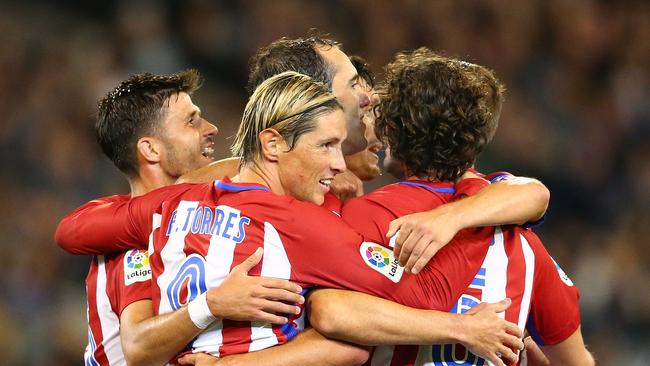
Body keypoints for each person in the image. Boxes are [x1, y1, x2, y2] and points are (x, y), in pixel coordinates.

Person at [56, 71, 526, 366]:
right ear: (274, 143)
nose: (341, 162)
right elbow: (421, 297)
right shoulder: (302, 225)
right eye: (327, 146)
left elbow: (72, 230)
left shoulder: (168, 206)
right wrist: (471, 202)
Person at [309, 48, 594, 366]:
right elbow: (576, 361)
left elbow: (329, 313)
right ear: (476, 145)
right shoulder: (523, 245)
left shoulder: (361, 216)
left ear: (394, 130)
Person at [73, 70, 305, 366]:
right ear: (151, 149)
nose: (211, 128)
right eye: (192, 121)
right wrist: (213, 303)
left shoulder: (187, 220)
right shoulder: (135, 245)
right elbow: (138, 347)